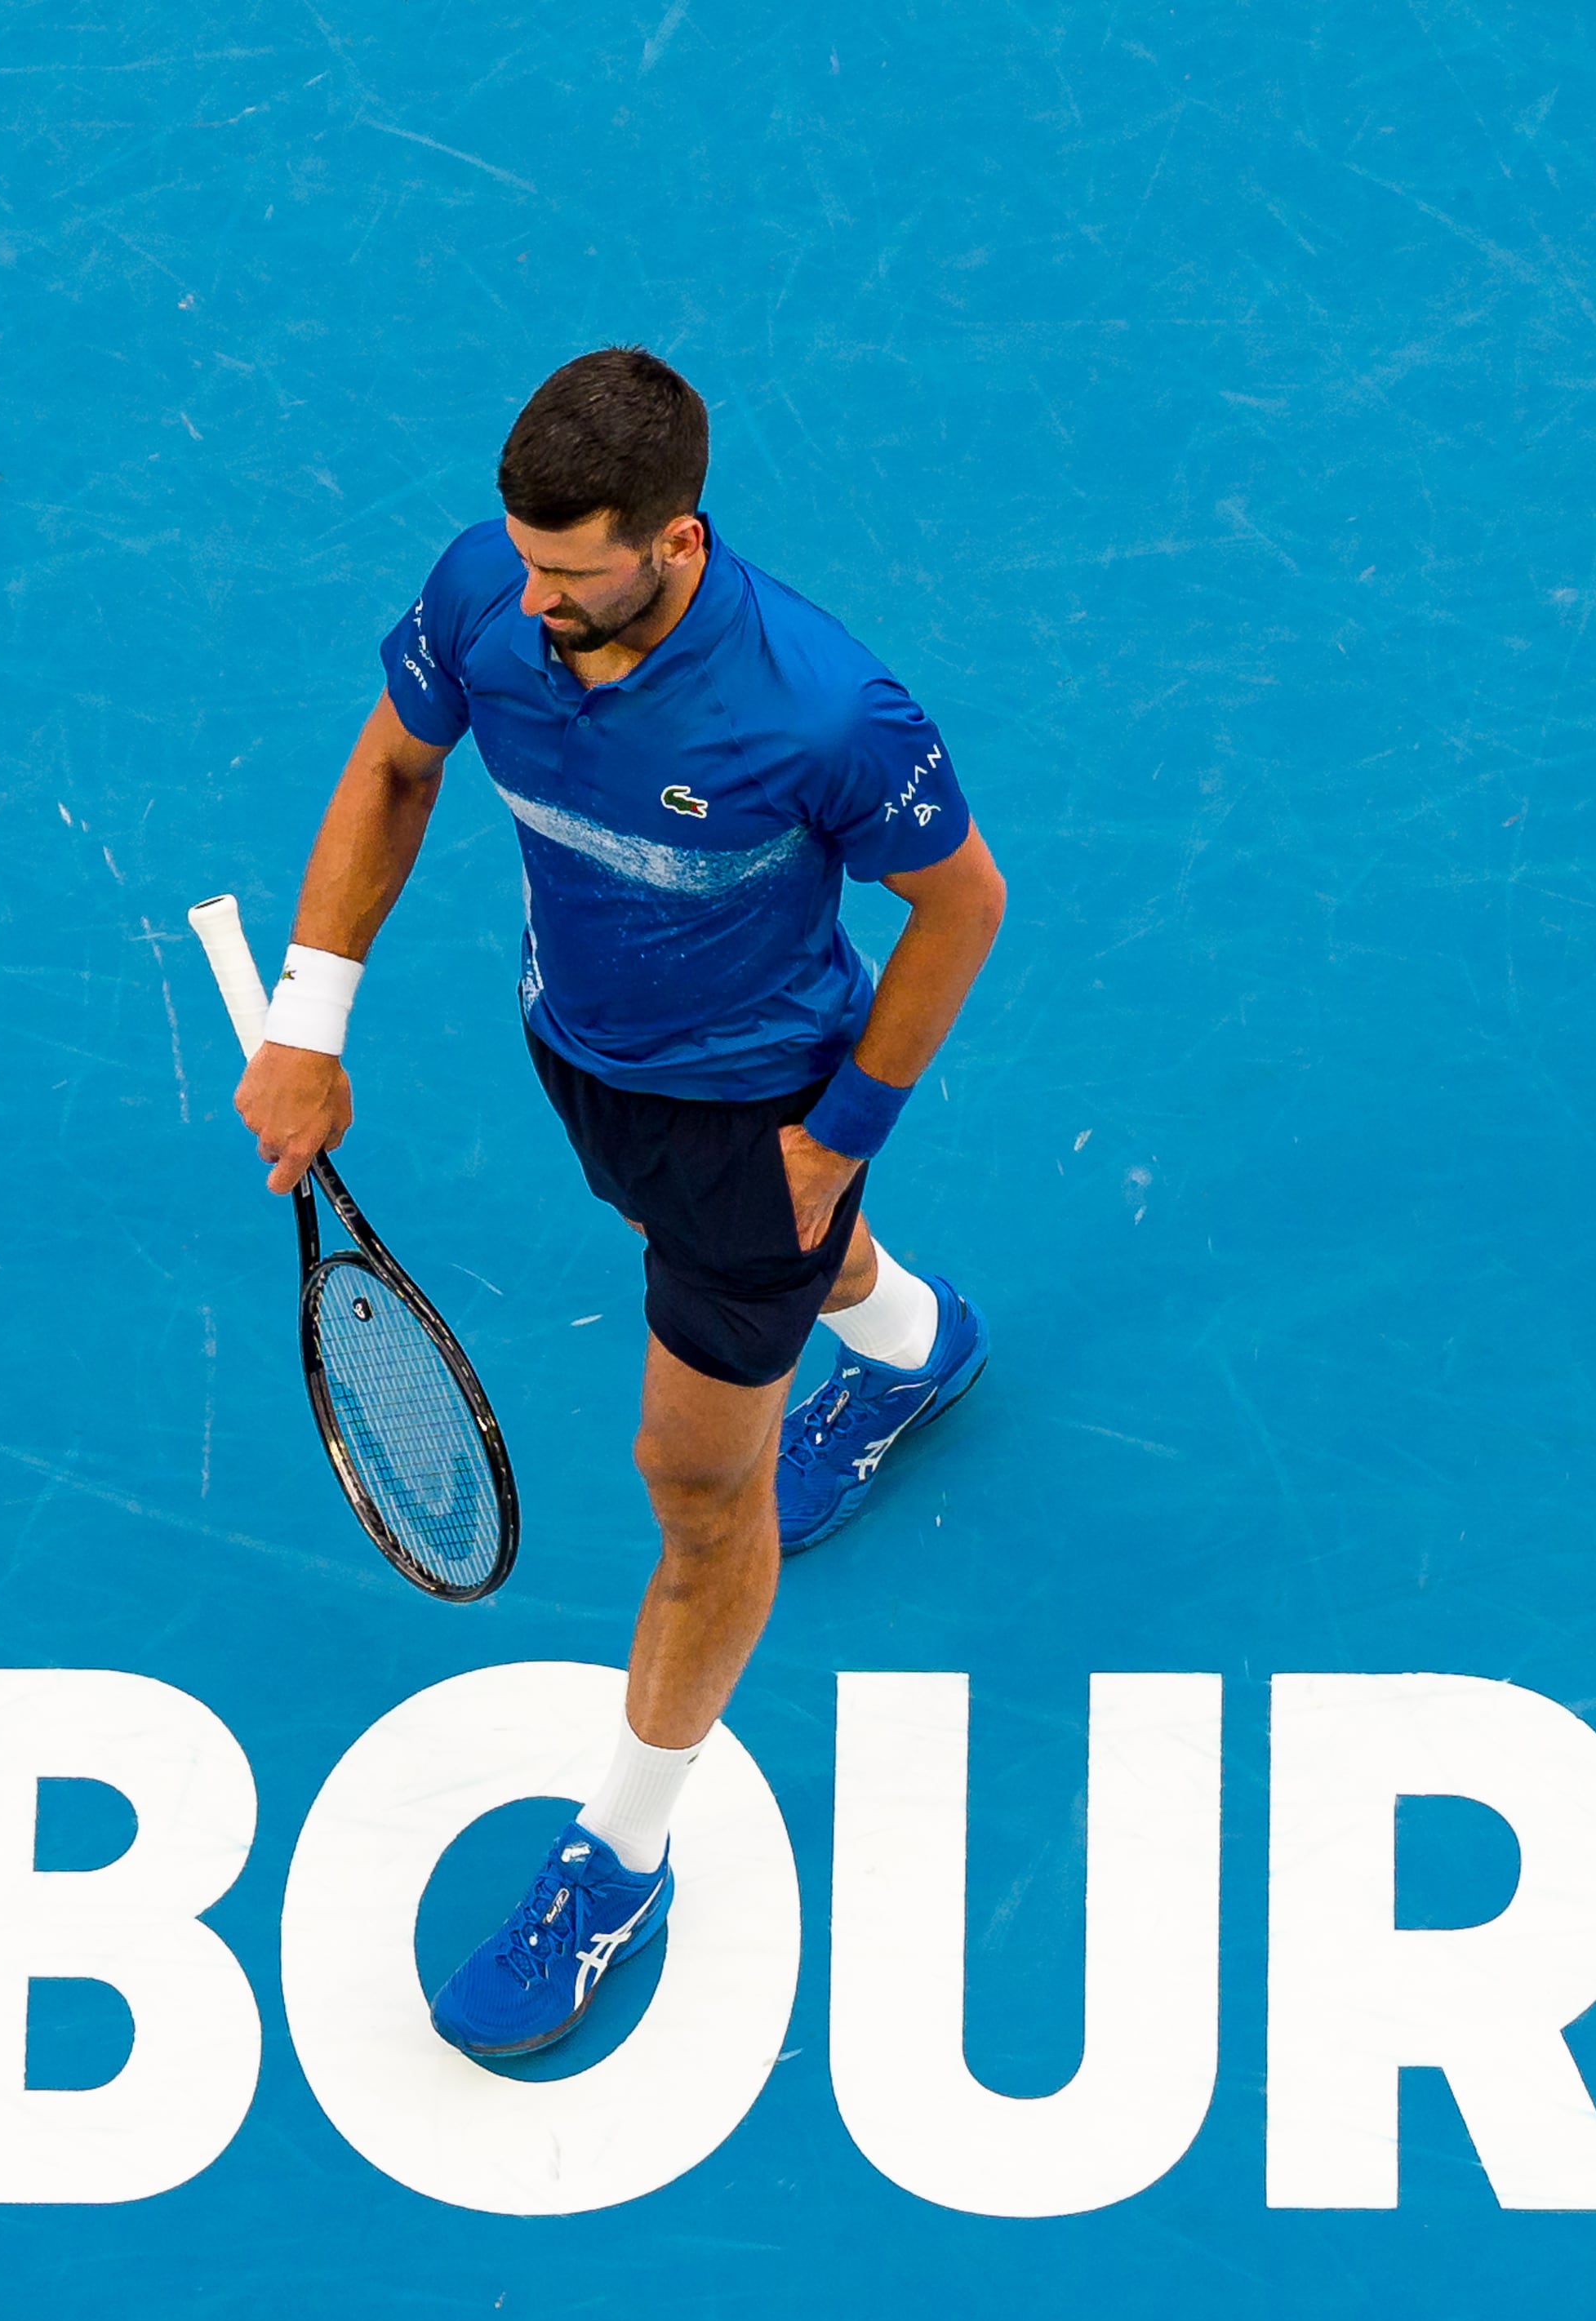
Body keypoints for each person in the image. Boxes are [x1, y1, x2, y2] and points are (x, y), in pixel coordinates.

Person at [233, 347, 1003, 2060]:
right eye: (522, 559)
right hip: (580, 1054)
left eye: (574, 573)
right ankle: (915, 1341)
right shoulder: (491, 598)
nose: (534, 601)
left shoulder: (821, 709)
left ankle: (622, 1855)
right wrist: (307, 1018)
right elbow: (391, 769)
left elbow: (959, 907)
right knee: (775, 1274)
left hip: (756, 1123)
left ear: (675, 539)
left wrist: (831, 1138)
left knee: (695, 1490)